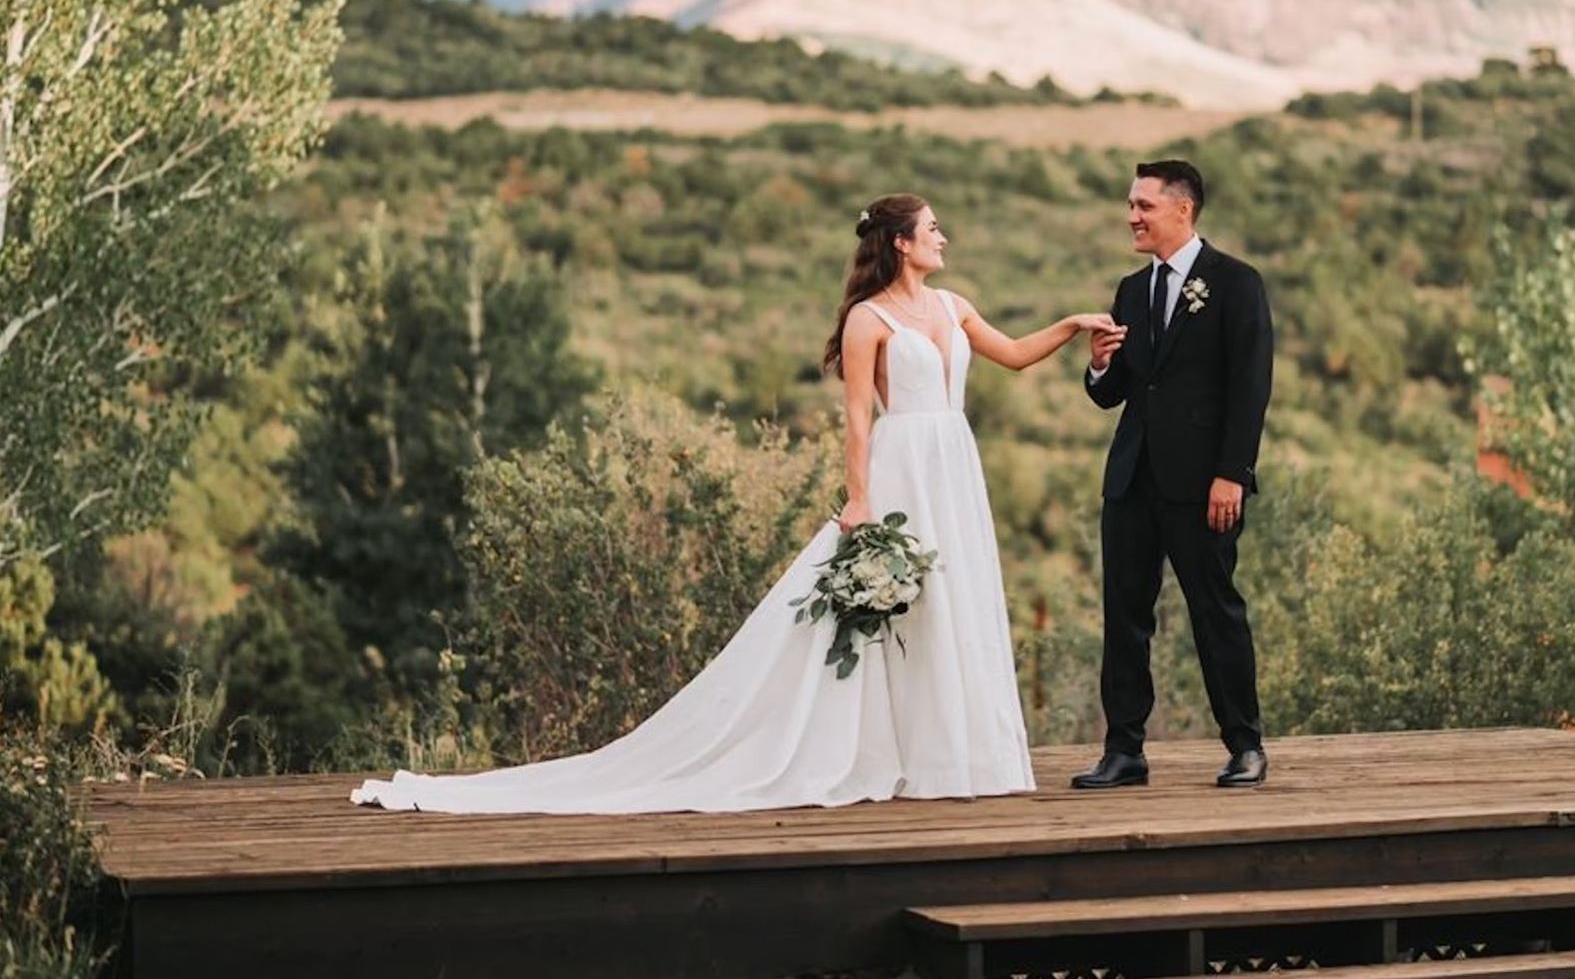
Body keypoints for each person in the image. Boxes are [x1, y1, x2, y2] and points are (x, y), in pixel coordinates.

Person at [349, 192, 1113, 814]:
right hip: (903, 464)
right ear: (901, 243)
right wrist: (858, 500)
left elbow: (1011, 355)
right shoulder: (866, 320)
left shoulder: (953, 307)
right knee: (895, 614)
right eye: (933, 229)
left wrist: (1074, 326)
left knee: (956, 602)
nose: (944, 236)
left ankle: (960, 757)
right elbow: (855, 416)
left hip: (955, 463)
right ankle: (891, 752)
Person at [1073, 160, 1274, 790]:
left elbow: (1250, 386)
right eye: (1130, 205)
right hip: (1132, 481)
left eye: (1143, 205)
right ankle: (1124, 751)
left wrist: (1232, 474)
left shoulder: (1237, 283)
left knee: (1216, 612)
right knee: (1124, 616)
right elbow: (1116, 394)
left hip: (1204, 485)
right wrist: (1101, 367)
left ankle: (1245, 746)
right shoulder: (1132, 289)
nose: (1132, 216)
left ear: (1182, 209)